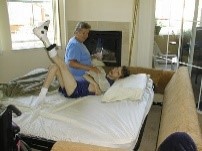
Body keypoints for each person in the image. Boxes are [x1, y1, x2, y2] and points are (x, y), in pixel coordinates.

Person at [33, 20, 129, 105]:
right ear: (76, 32)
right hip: (69, 86)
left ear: (119, 78)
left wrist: (95, 84)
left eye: (118, 72)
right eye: (117, 68)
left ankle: (44, 38)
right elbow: (85, 75)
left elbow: (99, 92)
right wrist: (92, 77)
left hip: (75, 90)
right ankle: (41, 98)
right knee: (54, 66)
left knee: (60, 64)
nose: (115, 69)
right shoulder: (103, 74)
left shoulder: (109, 84)